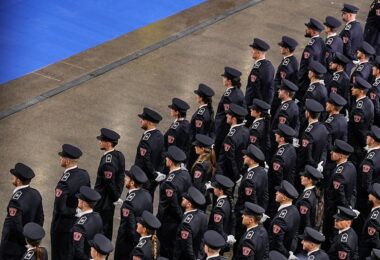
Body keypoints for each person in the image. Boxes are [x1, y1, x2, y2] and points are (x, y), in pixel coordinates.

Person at [51, 144, 90, 260]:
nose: (60, 158)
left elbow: (60, 209)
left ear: (67, 161)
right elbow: (87, 196)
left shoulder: (63, 184)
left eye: (62, 157)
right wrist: (79, 211)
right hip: (78, 223)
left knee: (59, 254)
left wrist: (74, 211)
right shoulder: (84, 174)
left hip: (62, 226)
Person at [0, 163, 44, 260]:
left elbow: (15, 226)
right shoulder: (36, 193)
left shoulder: (15, 201)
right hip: (29, 244)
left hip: (12, 248)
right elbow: (40, 219)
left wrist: (24, 242)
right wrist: (32, 240)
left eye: (14, 176)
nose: (12, 177)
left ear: (18, 181)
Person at [157, 146, 192, 259]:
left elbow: (172, 205)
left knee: (165, 250)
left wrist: (181, 218)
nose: (166, 160)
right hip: (179, 218)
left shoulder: (169, 183)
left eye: (167, 158)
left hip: (169, 222)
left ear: (170, 161)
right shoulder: (185, 174)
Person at [114, 165, 153, 260]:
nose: (124, 179)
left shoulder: (128, 203)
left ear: (132, 182)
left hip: (126, 244)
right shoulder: (147, 194)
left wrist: (135, 243)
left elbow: (129, 228)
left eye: (127, 177)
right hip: (142, 237)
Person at [323, 139, 356, 247]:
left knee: (330, 238)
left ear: (341, 155)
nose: (331, 153)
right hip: (345, 207)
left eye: (334, 152)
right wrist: (350, 205)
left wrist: (346, 209)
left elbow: (339, 195)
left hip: (335, 210)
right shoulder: (351, 167)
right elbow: (353, 190)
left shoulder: (338, 174)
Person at [94, 128, 125, 240]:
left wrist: (115, 197)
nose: (99, 142)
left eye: (101, 140)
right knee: (107, 227)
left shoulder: (108, 161)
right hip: (110, 201)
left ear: (108, 143)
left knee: (101, 229)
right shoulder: (119, 155)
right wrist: (118, 195)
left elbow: (109, 183)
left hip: (103, 202)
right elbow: (121, 177)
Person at [296, 99, 328, 189]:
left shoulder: (308, 134)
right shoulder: (323, 128)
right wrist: (321, 164)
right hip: (316, 168)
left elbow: (305, 156)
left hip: (305, 171)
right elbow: (325, 149)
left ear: (308, 113)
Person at [214, 67, 245, 156]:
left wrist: (216, 131)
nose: (223, 79)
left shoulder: (228, 96)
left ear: (229, 81)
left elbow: (225, 115)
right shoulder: (239, 92)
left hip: (222, 129)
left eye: (224, 78)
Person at [216, 104, 250, 186]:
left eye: (229, 114)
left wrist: (236, 177)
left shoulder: (230, 137)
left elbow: (229, 159)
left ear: (234, 119)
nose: (227, 115)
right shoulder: (246, 131)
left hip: (225, 173)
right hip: (237, 169)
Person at [267, 124, 297, 217]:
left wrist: (279, 189)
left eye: (277, 134)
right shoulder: (291, 148)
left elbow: (277, 175)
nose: (275, 135)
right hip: (287, 185)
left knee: (272, 211)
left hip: (277, 188)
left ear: (282, 139)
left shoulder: (279, 156)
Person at [135, 107, 165, 198]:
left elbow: (144, 161)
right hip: (153, 180)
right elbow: (163, 156)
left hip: (143, 178)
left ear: (149, 122)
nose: (140, 121)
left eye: (143, 120)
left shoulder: (146, 140)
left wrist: (154, 174)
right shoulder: (160, 136)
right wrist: (158, 173)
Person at [173, 186, 208, 260]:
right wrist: (199, 255)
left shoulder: (186, 224)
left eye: (185, 199)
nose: (183, 198)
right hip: (197, 254)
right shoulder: (203, 216)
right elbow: (202, 238)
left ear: (189, 205)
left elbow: (186, 247)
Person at [356, 126, 380, 232]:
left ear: (373, 139)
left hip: (365, 198)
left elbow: (365, 184)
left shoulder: (369, 160)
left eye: (368, 136)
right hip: (376, 194)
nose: (366, 138)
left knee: (362, 224)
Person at [268, 180, 300, 258]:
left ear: (284, 198)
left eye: (278, 192)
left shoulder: (280, 220)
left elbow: (276, 243)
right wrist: (291, 250)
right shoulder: (295, 210)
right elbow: (295, 234)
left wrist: (287, 255)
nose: (276, 193)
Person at [70, 186, 103, 260]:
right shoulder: (98, 217)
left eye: (80, 199)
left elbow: (77, 250)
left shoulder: (79, 226)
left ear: (84, 203)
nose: (78, 199)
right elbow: (100, 240)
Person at [348, 77, 374, 167]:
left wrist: (364, 144)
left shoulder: (358, 108)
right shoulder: (369, 102)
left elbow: (358, 129)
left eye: (354, 88)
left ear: (361, 91)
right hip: (364, 140)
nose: (352, 89)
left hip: (356, 145)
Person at [188, 83, 216, 168]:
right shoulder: (209, 110)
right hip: (205, 143)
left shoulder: (200, 115)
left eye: (197, 95)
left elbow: (198, 134)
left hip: (197, 146)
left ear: (201, 98)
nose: (196, 97)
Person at [297, 18, 325, 101]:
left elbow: (305, 67)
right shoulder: (321, 42)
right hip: (317, 77)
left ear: (314, 32)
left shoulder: (310, 48)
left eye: (308, 29)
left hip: (306, 83)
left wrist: (299, 84)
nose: (306, 30)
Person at [245, 38, 275, 109]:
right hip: (264, 104)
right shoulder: (270, 66)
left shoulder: (256, 69)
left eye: (253, 50)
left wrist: (248, 106)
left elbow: (253, 91)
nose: (251, 52)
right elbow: (270, 88)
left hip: (254, 107)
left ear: (258, 52)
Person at [208, 175, 235, 253]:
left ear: (220, 190)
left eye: (215, 188)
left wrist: (226, 238)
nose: (214, 189)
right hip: (222, 237)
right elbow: (232, 220)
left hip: (215, 240)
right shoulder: (228, 201)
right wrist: (231, 235)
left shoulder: (219, 207)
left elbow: (217, 227)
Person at [295, 165, 323, 236]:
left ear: (310, 180)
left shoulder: (306, 197)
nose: (301, 177)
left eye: (304, 176)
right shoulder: (315, 191)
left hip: (302, 234)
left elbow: (304, 220)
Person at [190, 134, 216, 207]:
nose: (195, 147)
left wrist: (205, 187)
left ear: (202, 149)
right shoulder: (209, 159)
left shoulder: (200, 166)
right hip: (204, 196)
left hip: (198, 197)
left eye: (197, 146)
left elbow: (197, 185)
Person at [339, 3, 363, 71]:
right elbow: (360, 42)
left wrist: (353, 58)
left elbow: (346, 48)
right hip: (354, 57)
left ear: (349, 15)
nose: (342, 15)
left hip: (346, 60)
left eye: (344, 13)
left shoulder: (348, 30)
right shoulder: (358, 25)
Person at [360, 183, 380, 258]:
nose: (368, 196)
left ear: (375, 199)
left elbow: (372, 241)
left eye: (371, 194)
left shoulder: (373, 219)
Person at [370, 56, 380, 127]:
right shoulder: (374, 79)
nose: (372, 68)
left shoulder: (375, 87)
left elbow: (375, 107)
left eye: (374, 67)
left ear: (378, 70)